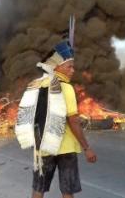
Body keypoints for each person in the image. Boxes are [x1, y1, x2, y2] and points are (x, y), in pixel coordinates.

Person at [15, 40, 97, 198]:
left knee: (39, 189)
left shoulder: (36, 85)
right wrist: (87, 148)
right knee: (67, 190)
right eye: (69, 66)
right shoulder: (66, 88)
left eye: (73, 66)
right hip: (66, 149)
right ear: (56, 67)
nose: (73, 70)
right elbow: (73, 120)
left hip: (44, 146)